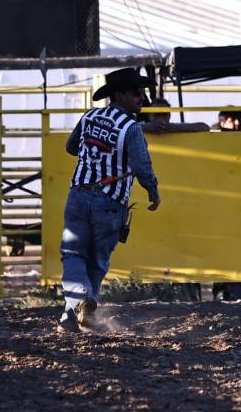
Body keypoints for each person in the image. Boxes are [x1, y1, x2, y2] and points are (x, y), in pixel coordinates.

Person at [58, 68, 161, 332]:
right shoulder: (131, 128)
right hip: (110, 203)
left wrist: (93, 154)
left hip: (79, 194)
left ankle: (72, 311)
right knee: (98, 258)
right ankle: (85, 305)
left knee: (73, 253)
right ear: (119, 95)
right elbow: (142, 166)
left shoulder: (89, 116)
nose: (141, 97)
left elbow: (71, 147)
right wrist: (153, 191)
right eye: (136, 93)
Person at [142, 97, 211, 134]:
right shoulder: (139, 126)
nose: (160, 118)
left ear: (169, 116)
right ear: (149, 115)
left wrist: (173, 128)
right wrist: (148, 128)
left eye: (164, 114)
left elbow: (205, 127)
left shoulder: (174, 126)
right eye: (156, 115)